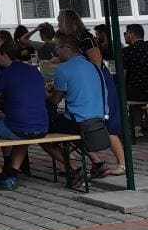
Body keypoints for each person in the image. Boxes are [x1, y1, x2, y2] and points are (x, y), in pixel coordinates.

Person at [42, 34, 121, 179]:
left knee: (41, 134)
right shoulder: (94, 66)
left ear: (66, 48)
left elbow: (55, 100)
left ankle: (73, 167)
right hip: (99, 117)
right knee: (71, 129)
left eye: (57, 49)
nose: (56, 53)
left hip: (79, 120)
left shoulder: (63, 70)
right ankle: (97, 163)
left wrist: (45, 94)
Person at [0, 40, 48, 189]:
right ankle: (12, 172)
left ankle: (1, 176)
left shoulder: (5, 75)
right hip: (42, 126)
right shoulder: (34, 70)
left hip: (18, 127)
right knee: (23, 136)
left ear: (4, 55)